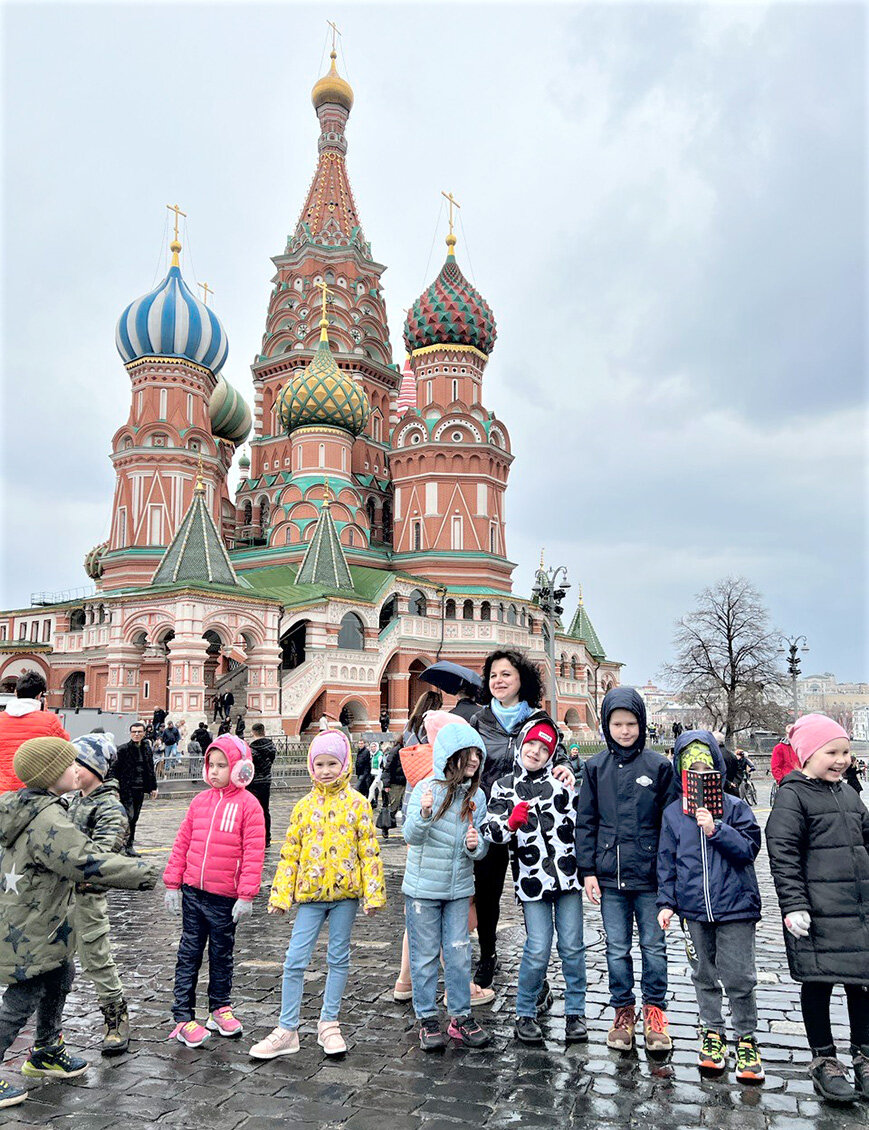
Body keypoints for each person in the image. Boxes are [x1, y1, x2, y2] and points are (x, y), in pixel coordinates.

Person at [0, 737, 157, 1109]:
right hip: (34, 924)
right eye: (70, 764)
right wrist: (146, 873)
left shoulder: (25, 805)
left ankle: (46, 1049)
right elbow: (85, 860)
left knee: (61, 973)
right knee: (23, 996)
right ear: (51, 774)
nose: (77, 769)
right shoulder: (48, 819)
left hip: (41, 918)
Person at [249, 731, 385, 1059]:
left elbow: (369, 850)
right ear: (312, 766)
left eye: (332, 763)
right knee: (295, 959)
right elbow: (290, 853)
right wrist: (280, 896)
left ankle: (329, 1023)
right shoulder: (303, 806)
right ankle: (287, 1028)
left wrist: (373, 893)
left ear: (344, 765)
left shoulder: (357, 804)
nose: (325, 770)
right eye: (320, 764)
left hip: (345, 896)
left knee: (338, 958)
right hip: (309, 896)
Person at [765, 713, 869, 1104]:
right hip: (819, 912)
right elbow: (783, 852)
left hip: (856, 910)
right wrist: (794, 906)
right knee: (819, 983)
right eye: (833, 752)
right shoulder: (793, 795)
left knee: (862, 984)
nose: (842, 759)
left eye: (846, 751)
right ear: (808, 754)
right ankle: (824, 1060)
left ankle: (864, 1055)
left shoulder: (847, 793)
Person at [575, 686, 678, 1053]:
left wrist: (670, 875)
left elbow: (670, 825)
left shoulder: (659, 767)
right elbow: (585, 822)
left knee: (654, 946)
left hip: (650, 876)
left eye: (631, 723)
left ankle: (655, 1012)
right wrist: (587, 870)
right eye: (617, 724)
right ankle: (623, 1010)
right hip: (610, 876)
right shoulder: (594, 767)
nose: (624, 731)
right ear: (606, 725)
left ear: (642, 724)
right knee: (616, 948)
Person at [656, 731, 764, 1081]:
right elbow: (667, 862)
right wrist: (667, 903)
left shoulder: (736, 807)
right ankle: (712, 1032)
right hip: (695, 911)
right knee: (704, 974)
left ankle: (746, 1037)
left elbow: (748, 849)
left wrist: (717, 829)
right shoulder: (673, 814)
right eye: (691, 771)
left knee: (739, 976)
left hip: (735, 908)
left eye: (706, 769)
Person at [469, 649, 574, 999]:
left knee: (537, 890)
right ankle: (487, 955)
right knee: (487, 891)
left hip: (536, 823)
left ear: (522, 680)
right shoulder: (479, 720)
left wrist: (567, 768)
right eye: (494, 675)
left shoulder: (539, 719)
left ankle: (537, 967)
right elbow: (467, 760)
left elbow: (559, 756)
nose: (498, 681)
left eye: (506, 675)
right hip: (495, 815)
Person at [481, 718, 588, 1046]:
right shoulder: (504, 786)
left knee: (571, 948)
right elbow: (491, 831)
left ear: (551, 753)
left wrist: (574, 776)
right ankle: (525, 1013)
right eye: (532, 744)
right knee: (538, 947)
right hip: (532, 882)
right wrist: (509, 825)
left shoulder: (561, 783)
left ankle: (575, 1013)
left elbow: (583, 817)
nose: (536, 752)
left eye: (544, 748)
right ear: (521, 744)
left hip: (568, 880)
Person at [163, 735, 265, 1048]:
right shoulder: (199, 802)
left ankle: (219, 1007)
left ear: (239, 769)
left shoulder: (249, 806)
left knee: (222, 954)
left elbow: (253, 851)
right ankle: (183, 1016)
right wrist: (172, 883)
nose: (216, 771)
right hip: (193, 892)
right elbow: (182, 842)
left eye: (224, 765)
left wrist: (246, 894)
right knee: (189, 953)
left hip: (225, 898)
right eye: (212, 764)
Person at [402, 719, 491, 1051]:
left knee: (458, 954)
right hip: (423, 890)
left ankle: (460, 1017)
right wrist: (424, 813)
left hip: (458, 889)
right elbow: (411, 836)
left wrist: (474, 845)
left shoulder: (476, 797)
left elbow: (479, 848)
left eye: (478, 757)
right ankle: (426, 1018)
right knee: (424, 956)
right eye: (468, 755)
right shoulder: (428, 789)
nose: (474, 762)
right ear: (450, 755)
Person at [68, 734, 133, 1055]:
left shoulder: (110, 807)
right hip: (59, 897)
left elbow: (105, 857)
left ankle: (116, 1018)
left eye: (79, 762)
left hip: (86, 897)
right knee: (54, 962)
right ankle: (49, 1031)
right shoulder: (71, 800)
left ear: (96, 767)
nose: (73, 768)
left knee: (96, 958)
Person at [0, 671, 69, 793]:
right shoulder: (49, 721)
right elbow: (66, 750)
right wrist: (46, 712)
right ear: (40, 695)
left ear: (16, 693)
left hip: (3, 794)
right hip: (33, 795)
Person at [112, 721, 158, 855]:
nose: (136, 734)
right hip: (126, 788)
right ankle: (119, 845)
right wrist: (115, 788)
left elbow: (150, 769)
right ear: (130, 733)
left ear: (144, 733)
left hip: (140, 788)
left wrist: (153, 787)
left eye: (139, 732)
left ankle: (129, 845)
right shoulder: (123, 749)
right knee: (128, 817)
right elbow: (114, 770)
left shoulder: (147, 749)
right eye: (134, 732)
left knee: (135, 818)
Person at [248, 723, 277, 845]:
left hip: (253, 782)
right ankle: (267, 838)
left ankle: (253, 837)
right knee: (265, 810)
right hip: (266, 781)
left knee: (252, 811)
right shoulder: (271, 747)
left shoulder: (251, 749)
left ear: (253, 732)